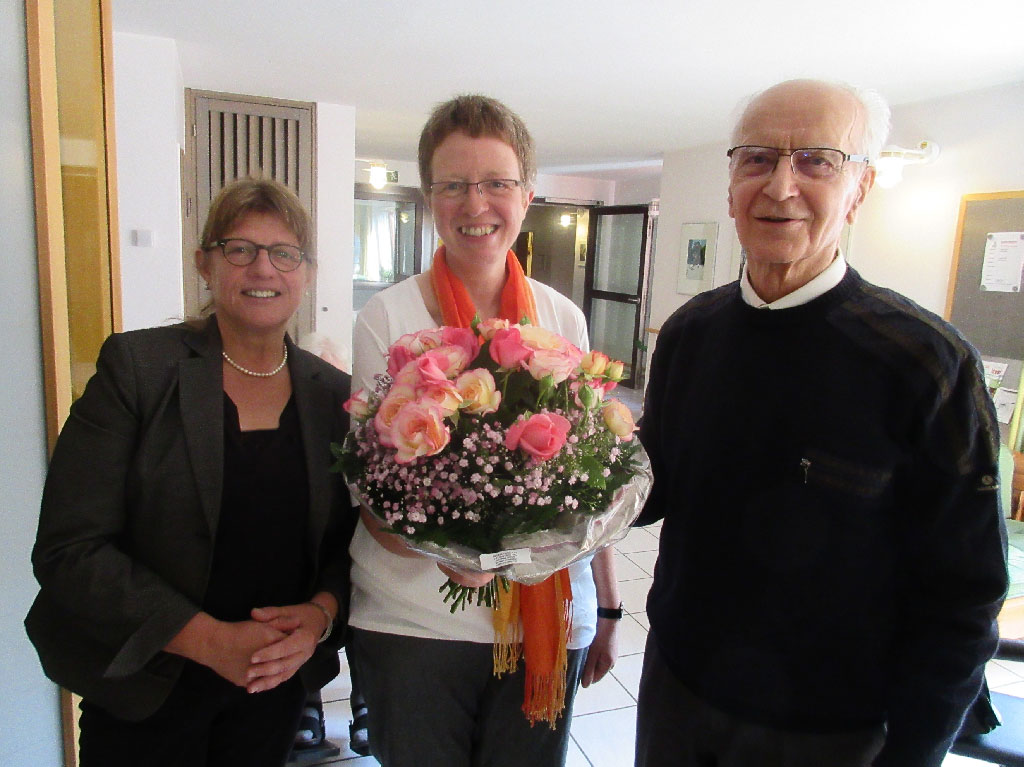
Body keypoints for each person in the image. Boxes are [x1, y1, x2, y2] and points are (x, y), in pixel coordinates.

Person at [635, 79, 1008, 767]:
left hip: (830, 730)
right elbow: (652, 490)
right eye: (756, 159)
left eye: (816, 160)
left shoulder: (928, 363)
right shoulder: (689, 333)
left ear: (860, 189)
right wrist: (557, 479)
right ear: (730, 184)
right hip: (677, 693)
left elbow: (963, 594)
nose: (780, 186)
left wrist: (914, 752)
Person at [25, 178, 356, 767]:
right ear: (205, 263)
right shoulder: (139, 370)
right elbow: (70, 548)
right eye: (240, 249)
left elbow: (345, 545)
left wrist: (320, 615)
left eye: (284, 253)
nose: (263, 268)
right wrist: (210, 642)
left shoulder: (331, 395)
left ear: (304, 274)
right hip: (147, 689)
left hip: (271, 693)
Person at [348, 94, 621, 767]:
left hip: (545, 626)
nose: (476, 205)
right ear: (430, 196)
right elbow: (373, 491)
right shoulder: (386, 319)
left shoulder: (563, 320)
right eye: (455, 185)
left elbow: (591, 476)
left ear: (526, 195)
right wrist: (458, 547)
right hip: (415, 624)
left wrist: (608, 606)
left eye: (496, 183)